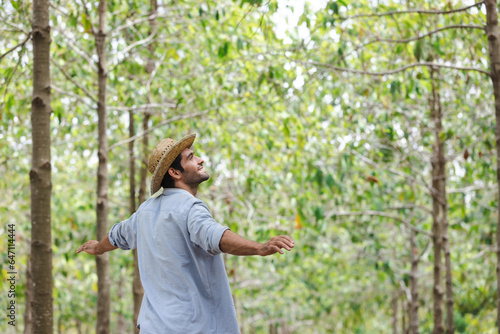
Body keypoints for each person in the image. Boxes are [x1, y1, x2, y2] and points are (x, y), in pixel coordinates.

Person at [77, 133, 295, 334]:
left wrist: (97, 247)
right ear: (174, 172)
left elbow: (116, 236)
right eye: (191, 158)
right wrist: (259, 247)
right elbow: (215, 236)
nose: (200, 160)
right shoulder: (190, 208)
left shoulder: (144, 212)